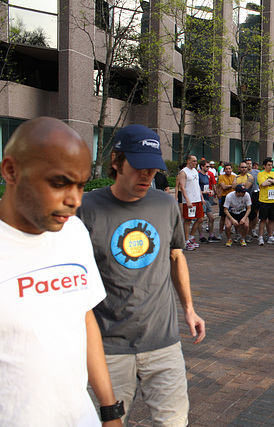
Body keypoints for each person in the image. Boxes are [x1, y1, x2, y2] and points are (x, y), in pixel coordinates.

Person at [77, 124, 206, 426]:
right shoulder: (86, 209)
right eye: (138, 167)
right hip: (108, 346)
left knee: (174, 422)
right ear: (115, 161)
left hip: (162, 342)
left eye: (152, 168)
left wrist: (189, 309)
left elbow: (176, 256)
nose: (147, 176)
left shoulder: (165, 204)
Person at [0, 117, 123, 426]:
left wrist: (108, 411)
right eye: (59, 183)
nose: (74, 200)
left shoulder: (74, 232)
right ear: (11, 170)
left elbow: (83, 318)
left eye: (81, 185)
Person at [177, 155, 204, 250]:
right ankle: (186, 240)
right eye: (194, 161)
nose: (195, 163)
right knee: (188, 220)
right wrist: (187, 201)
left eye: (196, 161)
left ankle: (191, 237)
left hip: (197, 199)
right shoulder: (183, 172)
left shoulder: (195, 171)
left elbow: (197, 185)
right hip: (190, 200)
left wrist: (201, 197)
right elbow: (182, 187)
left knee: (200, 218)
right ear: (188, 161)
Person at [257, 157, 274, 245]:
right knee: (263, 219)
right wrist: (272, 182)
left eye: (271, 165)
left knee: (272, 219)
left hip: (273, 200)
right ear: (264, 166)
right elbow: (263, 184)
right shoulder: (261, 174)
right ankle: (260, 237)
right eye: (268, 165)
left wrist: (270, 180)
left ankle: (270, 236)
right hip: (264, 200)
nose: (270, 167)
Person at [197, 160, 218, 243]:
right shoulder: (198, 175)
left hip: (207, 198)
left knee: (211, 218)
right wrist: (203, 193)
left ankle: (211, 235)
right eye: (207, 166)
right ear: (202, 167)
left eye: (209, 166)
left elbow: (209, 186)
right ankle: (201, 236)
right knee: (200, 219)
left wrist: (211, 191)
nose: (209, 168)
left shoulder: (207, 175)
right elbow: (196, 189)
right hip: (201, 199)